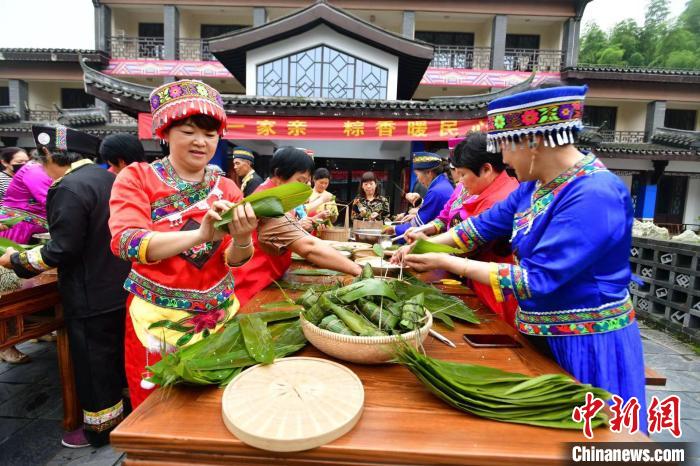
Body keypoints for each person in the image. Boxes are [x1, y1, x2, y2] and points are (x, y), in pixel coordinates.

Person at [397, 85, 647, 433]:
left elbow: (534, 280)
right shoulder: (537, 185)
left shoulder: (594, 193)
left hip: (586, 342)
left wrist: (450, 261)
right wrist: (427, 242)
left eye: (506, 149)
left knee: (588, 437)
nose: (506, 162)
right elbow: (479, 228)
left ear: (532, 143)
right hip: (538, 331)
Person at [108, 79, 258, 409]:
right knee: (160, 409)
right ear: (165, 132)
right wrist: (199, 235)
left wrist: (244, 237)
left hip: (220, 318)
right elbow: (127, 243)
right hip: (157, 321)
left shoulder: (228, 189)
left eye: (209, 133)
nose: (201, 142)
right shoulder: (138, 178)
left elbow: (235, 260)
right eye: (189, 131)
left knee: (218, 406)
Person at [0, 124, 131, 447]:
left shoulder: (69, 187)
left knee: (92, 363)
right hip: (120, 285)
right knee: (115, 357)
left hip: (88, 292)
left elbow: (62, 249)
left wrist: (15, 261)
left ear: (48, 154)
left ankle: (100, 430)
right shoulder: (109, 179)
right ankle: (126, 414)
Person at [403, 134, 520, 326]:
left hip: (493, 288)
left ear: (486, 169)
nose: (459, 180)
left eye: (462, 173)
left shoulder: (505, 195)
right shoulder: (472, 187)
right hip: (473, 278)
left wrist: (427, 249)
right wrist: (425, 241)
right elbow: (463, 226)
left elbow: (470, 242)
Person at [232, 147, 362, 307]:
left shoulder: (277, 194)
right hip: (252, 286)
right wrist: (358, 270)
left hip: (269, 278)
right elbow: (308, 247)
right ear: (279, 174)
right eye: (300, 181)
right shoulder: (268, 202)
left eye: (307, 181)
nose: (304, 187)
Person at [386, 152, 453, 239]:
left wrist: (394, 229)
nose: (418, 179)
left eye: (417, 175)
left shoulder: (436, 191)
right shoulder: (442, 185)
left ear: (429, 172)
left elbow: (418, 225)